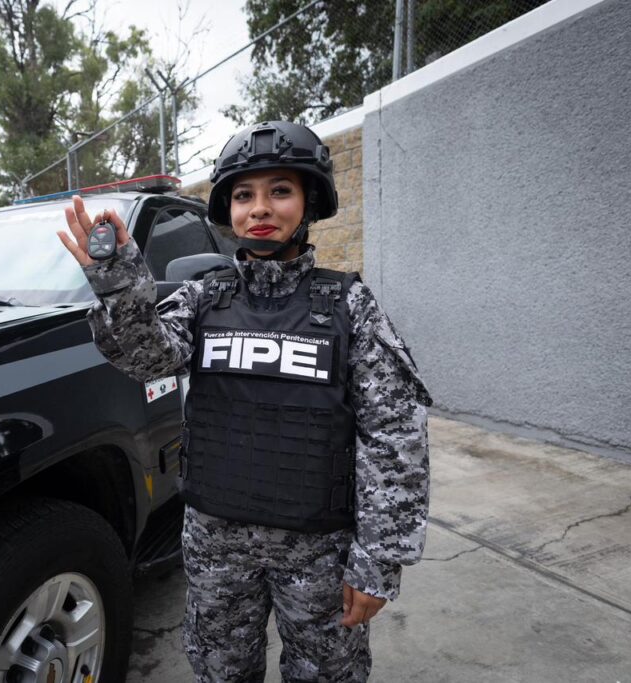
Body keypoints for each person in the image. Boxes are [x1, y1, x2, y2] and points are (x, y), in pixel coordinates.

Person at [59, 120, 432, 682]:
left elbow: (394, 436)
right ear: (228, 209)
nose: (259, 208)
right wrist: (118, 285)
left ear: (310, 202)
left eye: (280, 190)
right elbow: (147, 359)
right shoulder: (203, 298)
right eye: (243, 195)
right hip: (216, 546)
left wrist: (378, 560)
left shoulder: (349, 305)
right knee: (222, 673)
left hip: (319, 551)